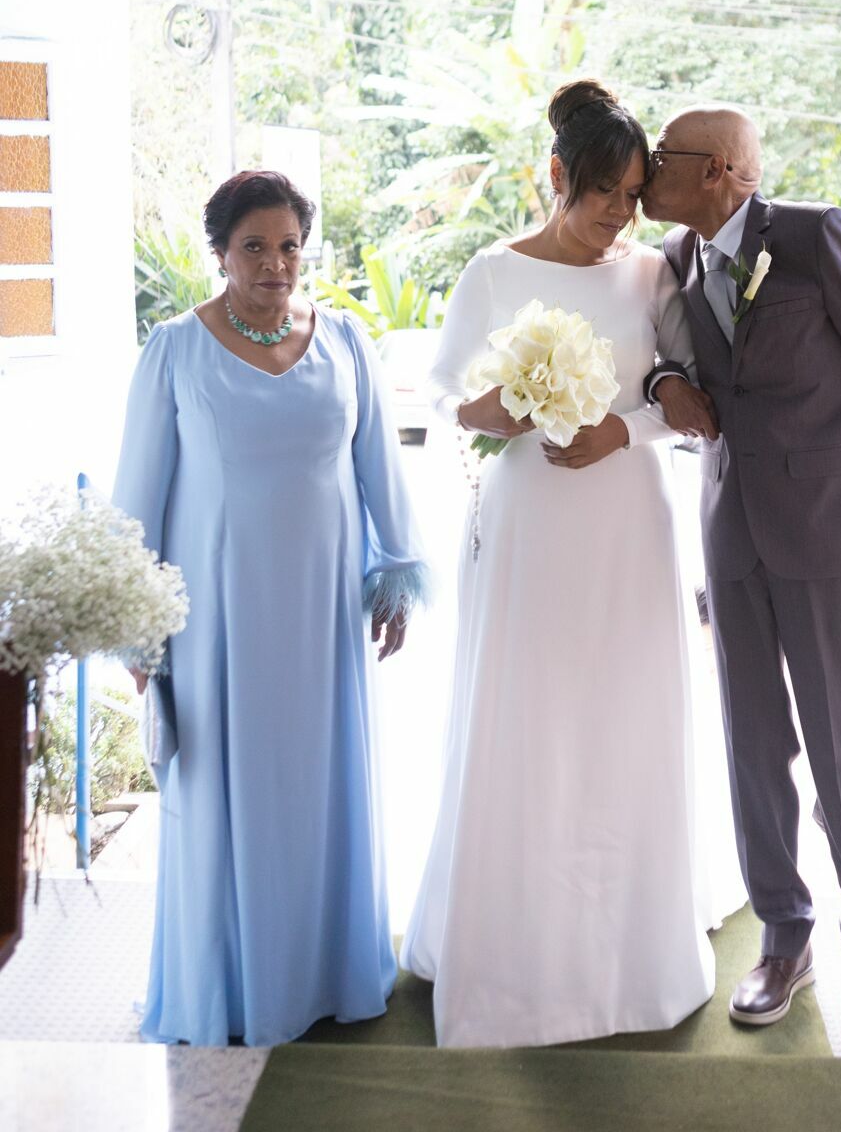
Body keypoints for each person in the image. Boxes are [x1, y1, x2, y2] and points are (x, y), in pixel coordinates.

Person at [400, 79, 745, 1049]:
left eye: (632, 195)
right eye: (602, 192)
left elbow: (685, 400)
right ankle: (515, 948)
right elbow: (444, 395)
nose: (619, 215)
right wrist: (495, 410)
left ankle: (627, 950)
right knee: (529, 716)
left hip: (626, 522)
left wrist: (619, 431)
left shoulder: (645, 276)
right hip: (526, 529)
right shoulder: (490, 273)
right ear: (555, 176)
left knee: (620, 714)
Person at [112, 169, 428, 1046]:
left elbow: (378, 470)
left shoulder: (347, 341)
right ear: (220, 252)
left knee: (321, 784)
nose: (276, 264)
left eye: (290, 245)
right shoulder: (175, 349)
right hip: (216, 621)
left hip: (323, 613)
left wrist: (393, 574)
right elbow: (139, 492)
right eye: (255, 246)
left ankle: (327, 973)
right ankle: (238, 988)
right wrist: (139, 623)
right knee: (225, 789)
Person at [641, 106, 841, 1046]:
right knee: (752, 746)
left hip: (831, 527)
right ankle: (783, 935)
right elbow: (672, 367)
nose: (645, 171)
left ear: (720, 169)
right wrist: (660, 389)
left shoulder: (811, 236)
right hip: (731, 532)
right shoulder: (676, 260)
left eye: (663, 159)